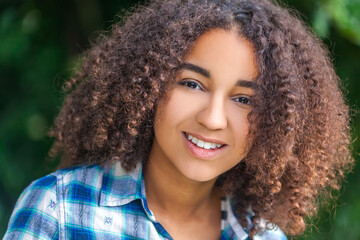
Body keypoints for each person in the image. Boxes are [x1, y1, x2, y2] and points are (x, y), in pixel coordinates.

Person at [4, 0, 354, 239]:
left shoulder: (262, 236)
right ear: (148, 85)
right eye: (192, 84)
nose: (213, 119)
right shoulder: (60, 210)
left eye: (244, 99)